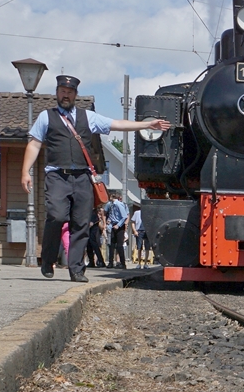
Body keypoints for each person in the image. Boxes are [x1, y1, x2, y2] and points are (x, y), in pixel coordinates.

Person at [21, 74, 170, 282]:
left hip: (83, 177)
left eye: (69, 92)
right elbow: (34, 144)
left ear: (75, 94)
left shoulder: (88, 117)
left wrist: (146, 125)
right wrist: (25, 172)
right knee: (56, 216)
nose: (66, 95)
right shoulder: (46, 117)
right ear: (57, 93)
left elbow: (117, 124)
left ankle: (76, 269)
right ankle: (48, 259)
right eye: (62, 91)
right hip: (57, 176)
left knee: (81, 223)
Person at [105, 192, 129, 269]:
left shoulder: (119, 204)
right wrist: (109, 220)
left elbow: (124, 216)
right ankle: (110, 262)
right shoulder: (111, 205)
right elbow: (111, 214)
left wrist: (118, 225)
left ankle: (123, 263)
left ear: (112, 197)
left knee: (119, 245)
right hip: (113, 225)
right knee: (111, 245)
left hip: (119, 226)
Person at [85, 203, 106, 268]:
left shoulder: (94, 212)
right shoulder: (88, 211)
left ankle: (101, 261)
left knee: (95, 245)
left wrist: (92, 223)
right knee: (89, 246)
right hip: (88, 230)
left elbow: (96, 220)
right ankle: (91, 262)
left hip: (93, 230)